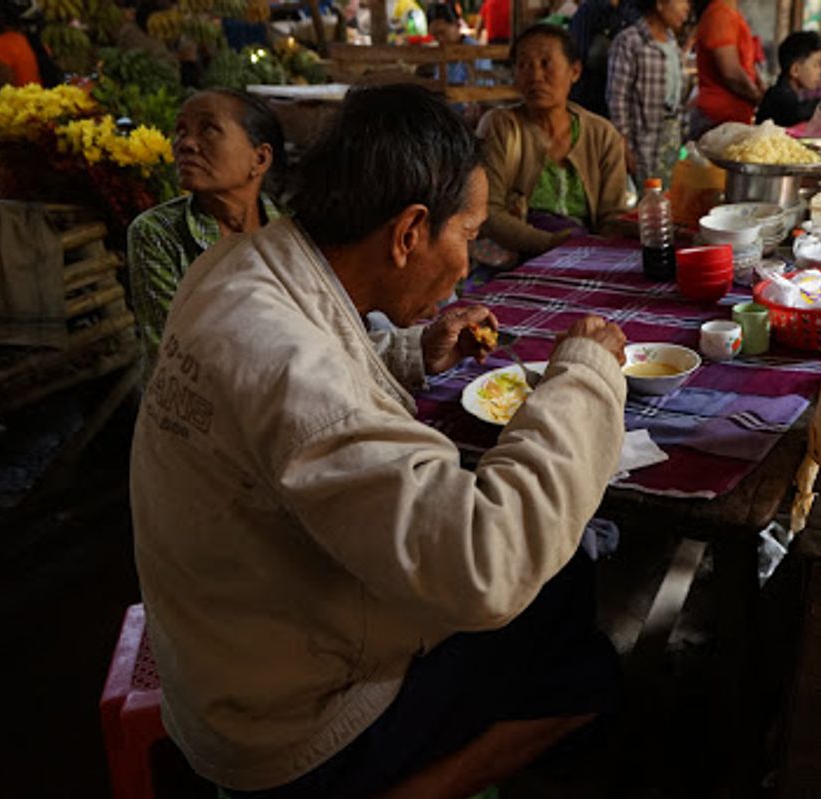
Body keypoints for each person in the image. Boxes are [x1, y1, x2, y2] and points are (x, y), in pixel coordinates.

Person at [130, 82, 628, 799]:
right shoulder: (291, 366)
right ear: (407, 233)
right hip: (289, 728)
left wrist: (408, 353)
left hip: (232, 652)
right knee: (590, 666)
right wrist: (583, 376)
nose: (468, 263)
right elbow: (485, 560)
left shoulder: (239, 267)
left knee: (569, 567)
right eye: (468, 234)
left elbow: (301, 380)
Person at [127, 89, 285, 362]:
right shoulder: (158, 233)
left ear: (259, 159)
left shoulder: (291, 234)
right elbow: (173, 352)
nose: (186, 144)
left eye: (208, 129)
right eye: (180, 131)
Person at [477, 24, 627, 259]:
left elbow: (611, 218)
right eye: (524, 65)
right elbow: (488, 211)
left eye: (546, 64)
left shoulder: (602, 135)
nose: (535, 76)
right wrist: (549, 243)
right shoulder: (501, 127)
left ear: (575, 71)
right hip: (515, 256)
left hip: (584, 255)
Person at [606, 0, 689, 187]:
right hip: (643, 144)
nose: (687, 7)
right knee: (647, 201)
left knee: (668, 199)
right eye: (681, 1)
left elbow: (679, 99)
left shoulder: (672, 42)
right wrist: (624, 148)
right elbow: (617, 99)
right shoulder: (629, 41)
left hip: (671, 140)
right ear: (659, 4)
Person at [690, 0, 766, 140]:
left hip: (730, 119)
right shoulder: (720, 13)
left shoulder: (730, 12)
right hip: (718, 119)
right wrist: (760, 98)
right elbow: (731, 73)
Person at [568, 0, 641, 116]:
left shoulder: (634, 12)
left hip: (625, 102)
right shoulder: (588, 11)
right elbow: (578, 56)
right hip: (590, 100)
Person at [756, 31, 821, 127]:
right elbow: (798, 112)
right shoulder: (779, 96)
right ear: (795, 70)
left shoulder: (788, 92)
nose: (820, 71)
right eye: (816, 65)